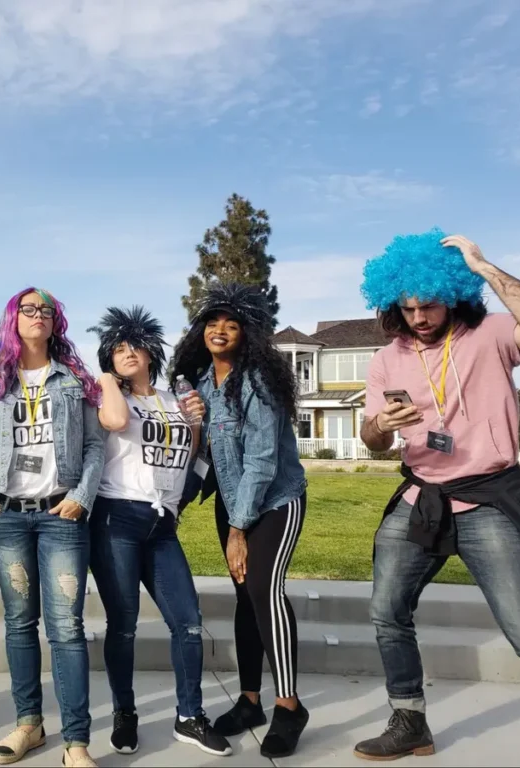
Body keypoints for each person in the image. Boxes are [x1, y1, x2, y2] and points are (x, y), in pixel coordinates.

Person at [355, 230, 520, 765]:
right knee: (387, 610)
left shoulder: (492, 335)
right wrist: (382, 424)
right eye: (407, 307)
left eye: (428, 304)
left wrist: (483, 267)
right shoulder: (387, 358)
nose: (419, 317)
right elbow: (373, 440)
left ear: (450, 293)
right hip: (421, 497)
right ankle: (409, 722)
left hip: (490, 499)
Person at [0, 287, 105, 768]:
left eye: (46, 310)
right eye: (28, 309)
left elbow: (94, 447)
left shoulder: (75, 381)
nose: (38, 316)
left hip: (59, 517)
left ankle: (77, 743)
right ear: (13, 319)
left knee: (66, 627)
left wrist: (81, 497)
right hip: (6, 516)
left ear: (55, 322)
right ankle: (29, 724)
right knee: (20, 623)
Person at [172, 282, 310, 759]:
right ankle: (250, 700)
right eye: (213, 322)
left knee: (264, 591)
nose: (221, 330)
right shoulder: (202, 384)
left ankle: (289, 706)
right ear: (201, 330)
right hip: (230, 502)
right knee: (243, 595)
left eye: (232, 324)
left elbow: (262, 460)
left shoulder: (257, 381)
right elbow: (205, 455)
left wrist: (238, 529)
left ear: (246, 334)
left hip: (275, 501)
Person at [88, 306, 233, 758]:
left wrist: (194, 424)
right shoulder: (107, 396)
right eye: (116, 349)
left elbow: (189, 459)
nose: (127, 353)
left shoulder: (175, 397)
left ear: (152, 350)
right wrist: (109, 379)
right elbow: (112, 424)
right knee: (125, 625)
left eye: (134, 345)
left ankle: (189, 716)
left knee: (188, 622)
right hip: (117, 518)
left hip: (163, 523)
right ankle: (125, 712)